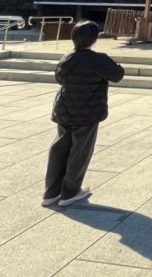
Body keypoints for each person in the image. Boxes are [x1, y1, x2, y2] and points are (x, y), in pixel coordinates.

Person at [43, 19, 124, 208]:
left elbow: (59, 78)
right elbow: (118, 75)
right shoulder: (99, 59)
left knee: (59, 148)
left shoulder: (67, 58)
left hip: (64, 108)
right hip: (88, 111)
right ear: (94, 38)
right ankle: (70, 191)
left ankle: (51, 192)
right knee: (80, 151)